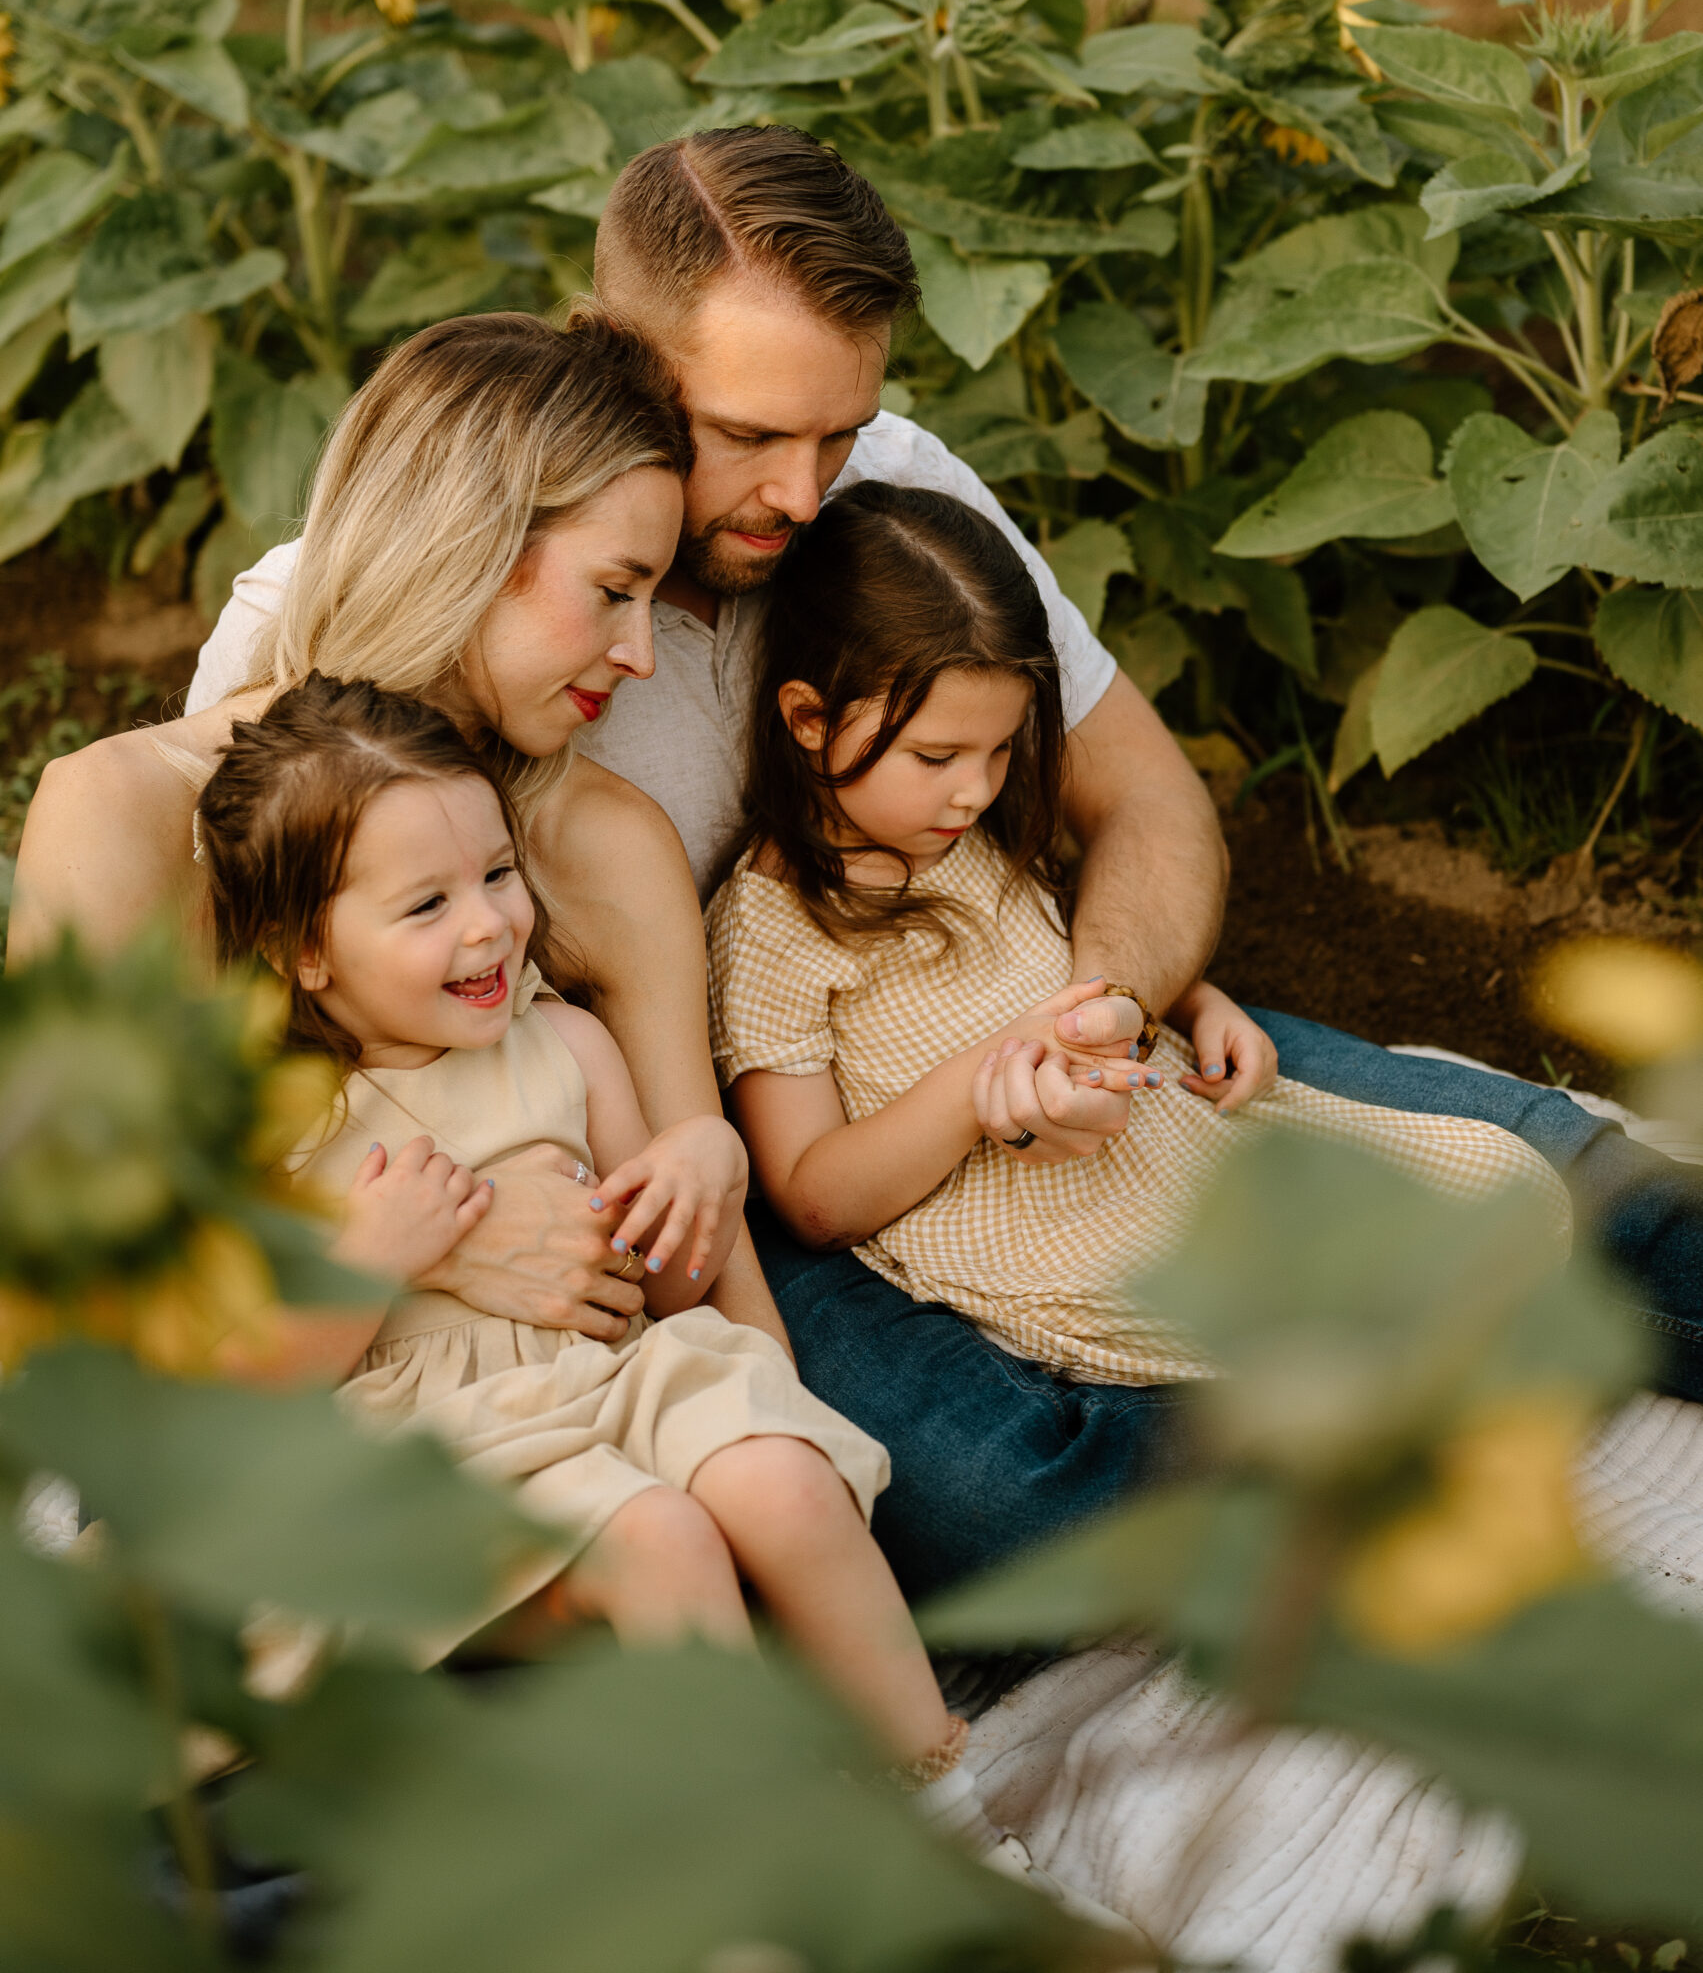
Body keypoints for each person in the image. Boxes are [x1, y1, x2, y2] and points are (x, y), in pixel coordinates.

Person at [29, 125, 1703, 1578]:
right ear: (612, 357)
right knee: (982, 1501)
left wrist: (1095, 1013)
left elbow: (1146, 805)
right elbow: (278, 1037)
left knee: (1560, 1174)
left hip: (992, 990)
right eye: (748, 433)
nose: (803, 485)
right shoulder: (365, 620)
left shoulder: (878, 493)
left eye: (839, 426)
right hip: (768, 1136)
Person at [706, 485, 1569, 1591]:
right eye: (934, 756)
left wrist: (1190, 1002)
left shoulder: (962, 832)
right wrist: (979, 1084)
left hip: (1148, 1142)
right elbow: (811, 1193)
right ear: (807, 718)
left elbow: (1066, 939)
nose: (971, 789)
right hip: (1021, 1214)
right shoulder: (776, 924)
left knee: (1507, 1182)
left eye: (998, 750)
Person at [193, 672, 1000, 1830]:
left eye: (496, 874)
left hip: (610, 1383)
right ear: (306, 951)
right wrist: (366, 1265)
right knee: (658, 1535)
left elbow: (668, 1288)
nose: (485, 925)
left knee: (783, 1479)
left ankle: (950, 1818)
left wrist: (695, 1170)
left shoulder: (565, 1042)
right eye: (424, 907)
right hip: (434, 1450)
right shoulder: (280, 1124)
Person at [10, 309, 785, 1348]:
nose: (641, 653)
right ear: (468, 545)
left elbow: (716, 1273)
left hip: (599, 1420)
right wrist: (442, 1237)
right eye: (611, 591)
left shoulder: (604, 846)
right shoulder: (126, 810)